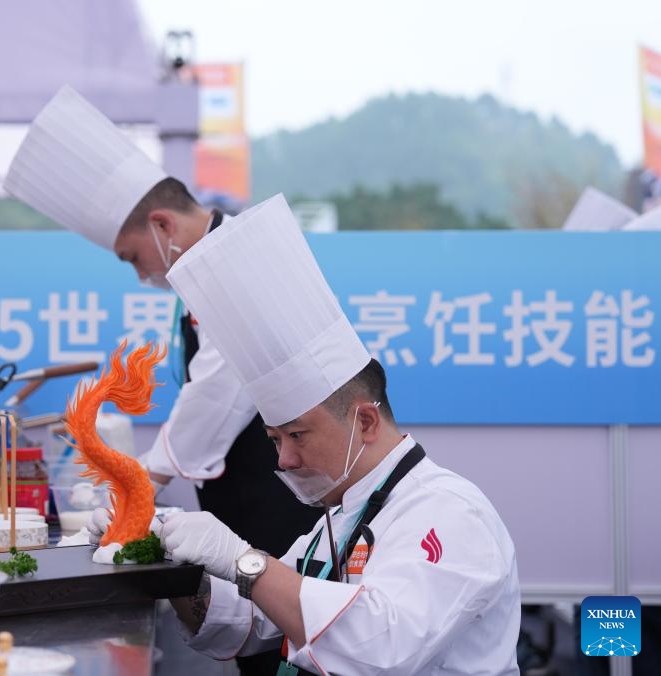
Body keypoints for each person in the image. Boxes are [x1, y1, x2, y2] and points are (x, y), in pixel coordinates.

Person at [4, 87, 323, 673]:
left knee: (294, 650)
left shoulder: (236, 262)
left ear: (161, 224)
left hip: (283, 507)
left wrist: (143, 473)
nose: (140, 272)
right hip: (242, 506)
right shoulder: (205, 274)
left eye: (132, 256)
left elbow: (223, 387)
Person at [143, 194, 521, 674]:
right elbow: (246, 624)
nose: (285, 460)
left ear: (364, 421)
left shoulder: (448, 513)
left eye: (297, 436)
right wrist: (168, 565)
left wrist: (245, 561)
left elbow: (380, 649)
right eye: (275, 440)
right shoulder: (335, 522)